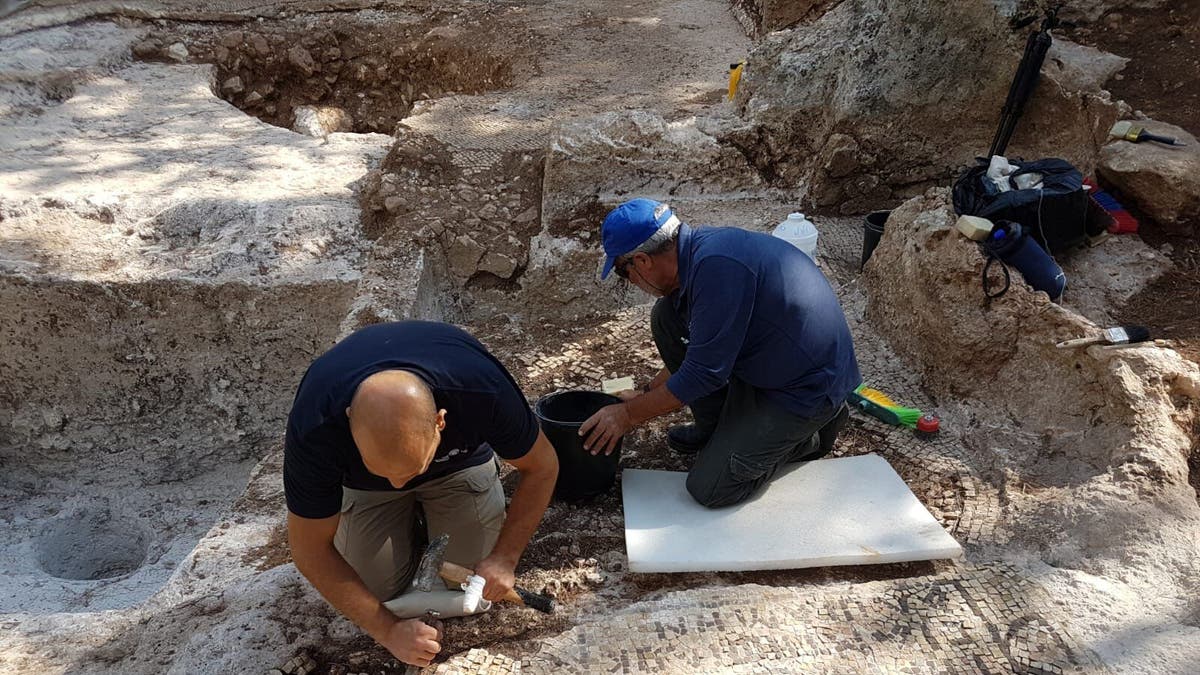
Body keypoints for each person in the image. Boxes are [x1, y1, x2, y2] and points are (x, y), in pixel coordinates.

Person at [284, 321, 558, 669]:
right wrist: (388, 631)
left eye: (410, 471)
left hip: (455, 466)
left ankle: (428, 501)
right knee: (373, 589)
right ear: (350, 422)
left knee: (470, 583)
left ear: (440, 422)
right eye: (388, 472)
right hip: (365, 488)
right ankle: (403, 517)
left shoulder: (479, 390)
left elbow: (543, 465)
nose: (399, 486)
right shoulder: (315, 426)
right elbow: (309, 549)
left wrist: (505, 557)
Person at [581, 198, 860, 508]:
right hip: (772, 365)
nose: (630, 281)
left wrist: (628, 415)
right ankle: (716, 431)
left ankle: (814, 434)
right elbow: (702, 352)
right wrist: (647, 392)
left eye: (623, 271)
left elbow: (702, 374)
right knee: (667, 316)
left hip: (807, 389)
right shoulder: (698, 259)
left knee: (710, 488)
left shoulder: (717, 271)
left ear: (643, 261)